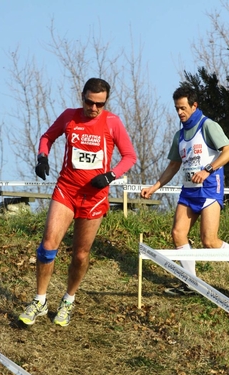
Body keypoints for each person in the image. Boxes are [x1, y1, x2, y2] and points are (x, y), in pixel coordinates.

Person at [19, 77, 137, 326]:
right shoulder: (69, 116)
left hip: (94, 197)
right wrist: (42, 157)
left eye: (99, 104)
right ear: (81, 96)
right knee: (48, 245)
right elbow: (47, 137)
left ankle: (68, 300)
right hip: (67, 190)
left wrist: (109, 176)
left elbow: (129, 156)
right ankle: (40, 300)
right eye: (89, 102)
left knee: (81, 255)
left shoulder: (113, 122)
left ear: (105, 102)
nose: (93, 108)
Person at [141, 84, 229, 295]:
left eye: (182, 108)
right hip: (189, 192)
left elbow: (227, 152)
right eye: (176, 108)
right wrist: (154, 187)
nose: (179, 112)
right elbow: (173, 165)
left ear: (194, 105)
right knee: (178, 233)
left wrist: (208, 170)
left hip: (209, 188)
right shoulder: (179, 135)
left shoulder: (208, 126)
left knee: (209, 240)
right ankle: (190, 283)